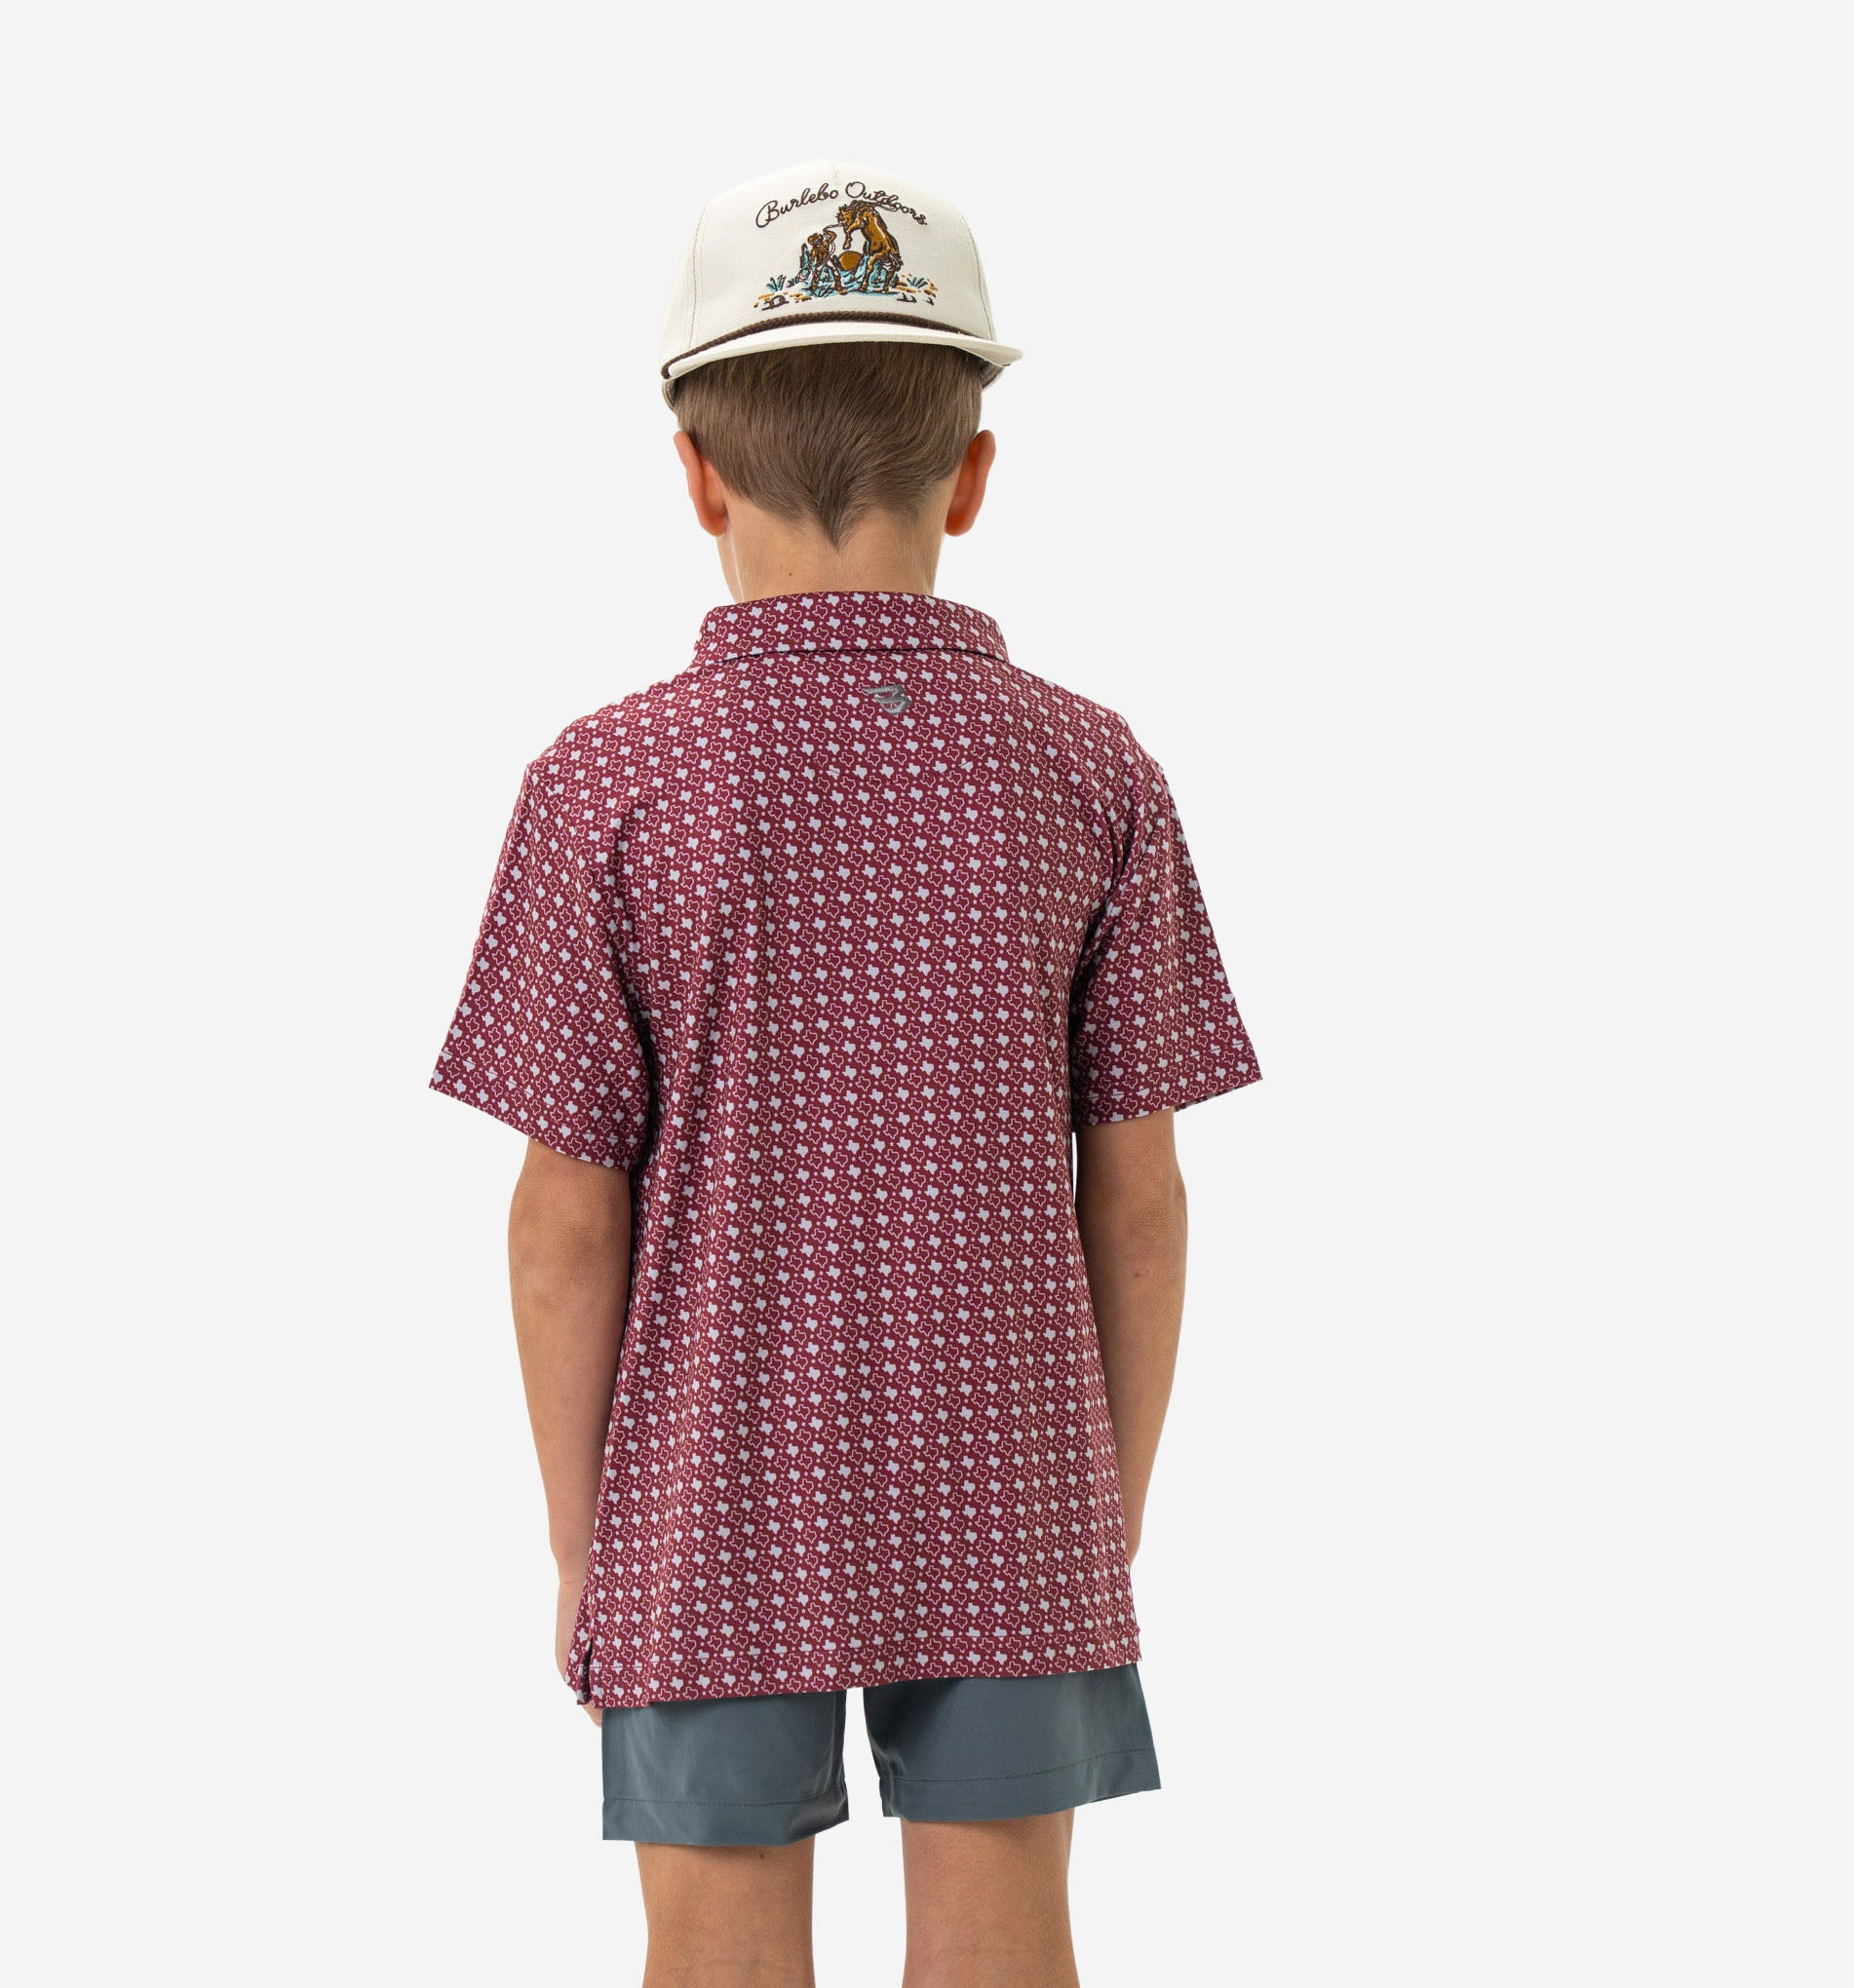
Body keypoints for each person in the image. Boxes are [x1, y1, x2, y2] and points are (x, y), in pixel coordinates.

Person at [431, 159, 1262, 1988]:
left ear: (695, 473)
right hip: (1014, 1475)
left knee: (716, 1955)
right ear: (972, 473)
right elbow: (1141, 1203)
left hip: (709, 1489)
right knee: (1005, 1946)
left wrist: (585, 1547)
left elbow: (562, 1225)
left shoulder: (606, 783)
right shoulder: (1092, 772)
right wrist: (1099, 1511)